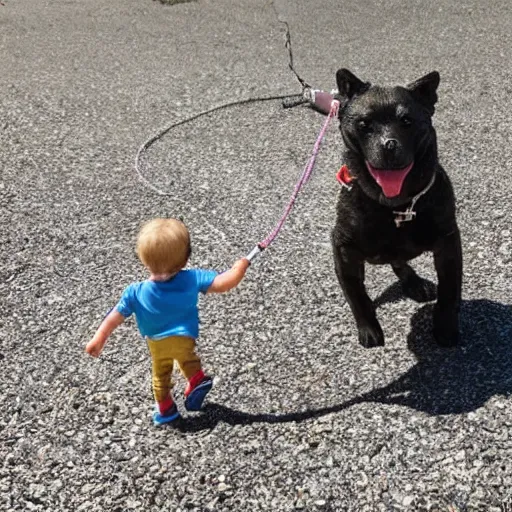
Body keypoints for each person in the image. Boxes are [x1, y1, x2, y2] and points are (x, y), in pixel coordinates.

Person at [85, 218, 249, 425]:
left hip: (157, 343)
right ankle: (196, 379)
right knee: (186, 358)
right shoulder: (192, 278)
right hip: (184, 337)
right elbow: (224, 283)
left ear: (143, 260)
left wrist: (99, 339)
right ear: (185, 259)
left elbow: (114, 316)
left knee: (161, 376)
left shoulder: (134, 292)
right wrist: (240, 267)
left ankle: (166, 409)